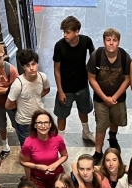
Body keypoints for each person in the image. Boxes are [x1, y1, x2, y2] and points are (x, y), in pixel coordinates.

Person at [87, 28, 132, 164]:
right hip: (100, 99)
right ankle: (98, 151)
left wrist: (114, 97)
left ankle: (112, 137)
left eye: (114, 40)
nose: (111, 43)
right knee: (101, 125)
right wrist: (105, 97)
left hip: (118, 99)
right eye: (108, 40)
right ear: (104, 41)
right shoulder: (97, 55)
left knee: (115, 119)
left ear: (118, 42)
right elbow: (92, 78)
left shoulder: (124, 57)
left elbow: (127, 79)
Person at [52, 15, 95, 143]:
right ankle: (61, 140)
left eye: (67, 32)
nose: (65, 35)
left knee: (84, 111)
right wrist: (60, 91)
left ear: (77, 32)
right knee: (62, 115)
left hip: (82, 85)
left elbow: (94, 57)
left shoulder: (86, 41)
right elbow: (56, 69)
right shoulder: (59, 46)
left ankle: (86, 132)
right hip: (66, 88)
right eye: (63, 32)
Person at [5, 49, 51, 146]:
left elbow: (46, 90)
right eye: (27, 65)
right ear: (23, 67)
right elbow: (8, 105)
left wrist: (34, 97)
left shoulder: (43, 77)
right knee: (27, 147)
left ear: (37, 64)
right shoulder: (18, 84)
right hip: (24, 122)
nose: (31, 68)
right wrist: (22, 102)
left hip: (39, 119)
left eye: (33, 64)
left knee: (41, 144)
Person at [19, 110, 68, 188]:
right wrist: (37, 166)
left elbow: (64, 155)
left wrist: (55, 164)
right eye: (40, 123)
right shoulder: (28, 142)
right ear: (35, 125)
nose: (43, 126)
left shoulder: (57, 139)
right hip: (38, 178)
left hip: (57, 177)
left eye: (46, 123)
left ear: (50, 125)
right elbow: (23, 162)